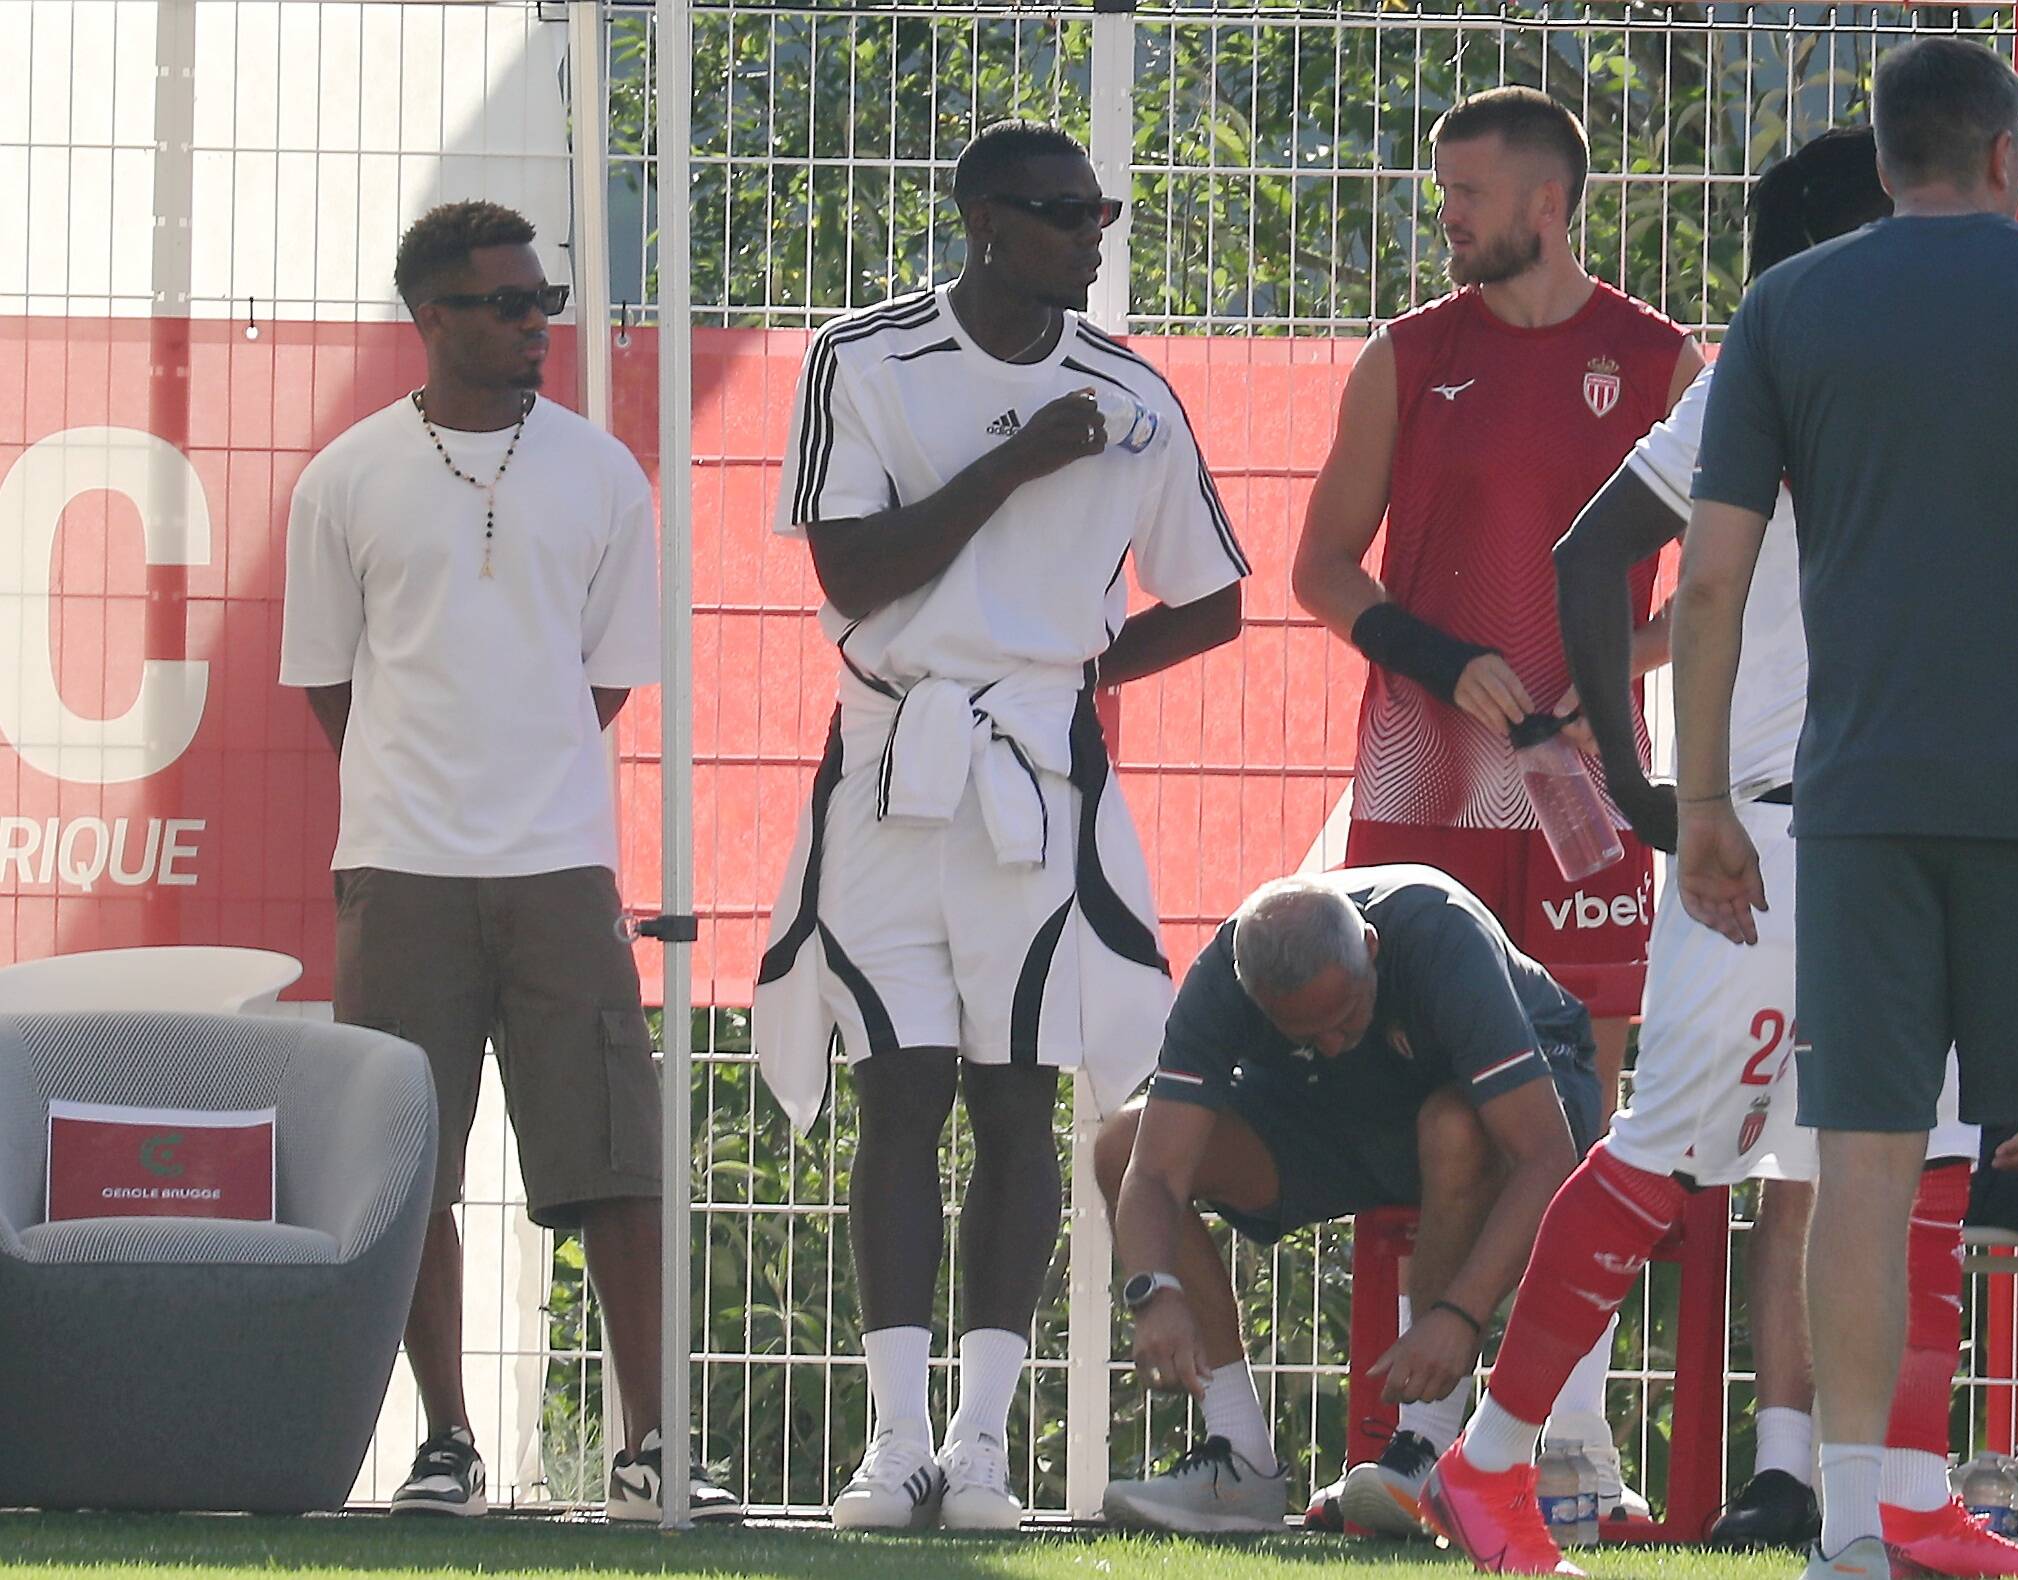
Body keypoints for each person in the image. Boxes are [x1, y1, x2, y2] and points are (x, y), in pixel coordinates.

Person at [1437, 124, 2018, 1580]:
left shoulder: (1908, 375)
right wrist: (1651, 792)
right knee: (1668, 1150)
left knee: (1930, 1164)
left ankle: (1903, 1498)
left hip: (1906, 828)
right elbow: (1589, 555)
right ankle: (1489, 1462)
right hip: (1770, 830)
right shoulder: (1771, 372)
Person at [1673, 38, 2018, 1580]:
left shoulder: (1788, 307)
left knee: (1860, 1159)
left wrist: (1702, 800)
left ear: (1879, 164)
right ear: (2011, 157)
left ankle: (1853, 1524)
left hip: (1857, 799)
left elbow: (1712, 581)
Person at [753, 119, 1247, 1532]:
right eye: (1061, 214)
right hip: (890, 749)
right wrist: (1020, 462)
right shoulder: (862, 359)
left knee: (1015, 1091)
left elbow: (1212, 596)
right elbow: (853, 570)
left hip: (1034, 766)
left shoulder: (1132, 393)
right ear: (982, 223)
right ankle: (889, 1441)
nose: (1091, 236)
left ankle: (981, 1448)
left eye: (1101, 212)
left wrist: (1084, 673)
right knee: (895, 1089)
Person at [280, 201, 736, 1523]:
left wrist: (515, 787)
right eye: (507, 304)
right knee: (410, 1160)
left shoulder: (601, 474)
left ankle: (652, 1444)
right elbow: (327, 684)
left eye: (543, 300)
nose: (537, 322)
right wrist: (419, 796)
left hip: (559, 869)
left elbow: (598, 685)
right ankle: (446, 1445)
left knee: (615, 1159)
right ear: (432, 317)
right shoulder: (347, 476)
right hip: (397, 870)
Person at [1291, 82, 1703, 1518]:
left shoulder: (1661, 364)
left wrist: (1612, 673)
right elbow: (1322, 569)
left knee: (1582, 1099)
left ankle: (1567, 1444)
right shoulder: (1407, 356)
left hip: (1585, 790)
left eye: (1464, 195)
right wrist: (1437, 654)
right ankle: (1425, 1443)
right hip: (1422, 779)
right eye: (1441, 194)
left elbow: (1714, 583)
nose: (1444, 220)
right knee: (1440, 1100)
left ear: (1546, 202)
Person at [1094, 867, 1599, 1533]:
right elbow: (1154, 1173)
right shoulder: (1226, 972)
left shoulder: (1441, 935)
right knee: (1120, 1143)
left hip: (1514, 1109)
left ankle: (1426, 1448)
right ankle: (1239, 1456)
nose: (1332, 1041)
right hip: (1350, 1116)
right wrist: (1153, 1292)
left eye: (1345, 1017)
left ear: (1372, 945)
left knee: (1451, 1129)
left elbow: (1545, 1154)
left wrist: (1458, 1316)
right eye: (1304, 1032)